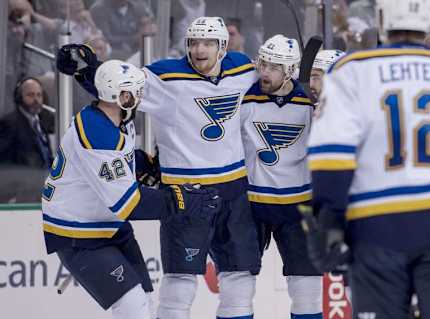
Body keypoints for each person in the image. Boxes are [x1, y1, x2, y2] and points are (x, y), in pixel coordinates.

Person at [57, 17, 261, 319]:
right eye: (194, 42)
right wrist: (87, 68)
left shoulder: (243, 68)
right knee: (180, 284)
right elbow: (122, 84)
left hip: (234, 190)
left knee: (240, 280)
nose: (199, 49)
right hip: (187, 190)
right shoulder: (167, 76)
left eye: (207, 43)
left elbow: (273, 83)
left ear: (223, 47)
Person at [304, 0, 430, 318]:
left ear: (382, 16)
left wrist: (329, 220)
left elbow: (332, 154)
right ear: (429, 19)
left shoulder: (352, 69)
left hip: (377, 225)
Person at [41, 59, 221, 319]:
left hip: (108, 225)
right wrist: (183, 201)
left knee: (144, 300)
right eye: (136, 92)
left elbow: (119, 155)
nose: (140, 97)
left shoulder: (114, 115)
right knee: (131, 305)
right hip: (77, 233)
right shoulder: (97, 134)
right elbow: (127, 204)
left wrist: (142, 163)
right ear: (121, 95)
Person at [240, 35, 322, 318]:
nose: (265, 72)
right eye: (262, 63)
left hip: (298, 206)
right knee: (236, 286)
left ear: (290, 71)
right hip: (251, 204)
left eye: (274, 67)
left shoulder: (309, 103)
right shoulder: (244, 95)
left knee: (307, 292)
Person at [0, 77, 54, 169]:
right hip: (23, 180)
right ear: (19, 98)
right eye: (30, 95)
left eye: (39, 95)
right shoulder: (9, 123)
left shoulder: (41, 122)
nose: (36, 100)